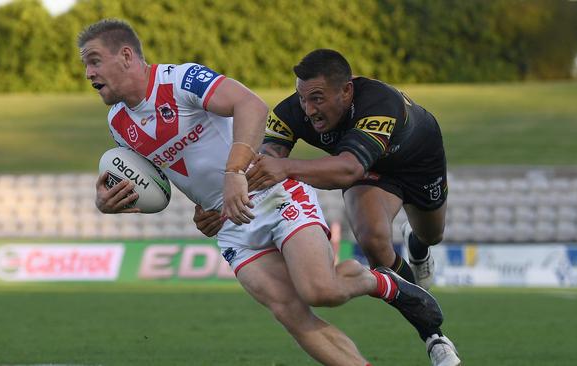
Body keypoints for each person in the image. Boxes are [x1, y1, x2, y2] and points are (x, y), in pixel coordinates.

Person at [79, 20, 444, 365]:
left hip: (273, 193)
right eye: (86, 66)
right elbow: (164, 180)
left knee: (321, 291)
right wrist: (112, 201)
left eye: (95, 61)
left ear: (126, 56)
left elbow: (250, 104)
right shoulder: (118, 124)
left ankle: (383, 282)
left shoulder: (179, 80)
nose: (89, 73)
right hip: (230, 225)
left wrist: (234, 171)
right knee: (289, 312)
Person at [194, 49, 461, 366]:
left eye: (318, 99)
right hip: (369, 172)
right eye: (303, 99)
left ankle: (417, 245)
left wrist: (288, 168)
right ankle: (434, 336)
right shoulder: (291, 112)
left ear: (346, 90)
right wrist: (221, 205)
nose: (309, 110)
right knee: (374, 241)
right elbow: (261, 167)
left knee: (432, 234)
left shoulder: (380, 102)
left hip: (416, 163)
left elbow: (347, 170)